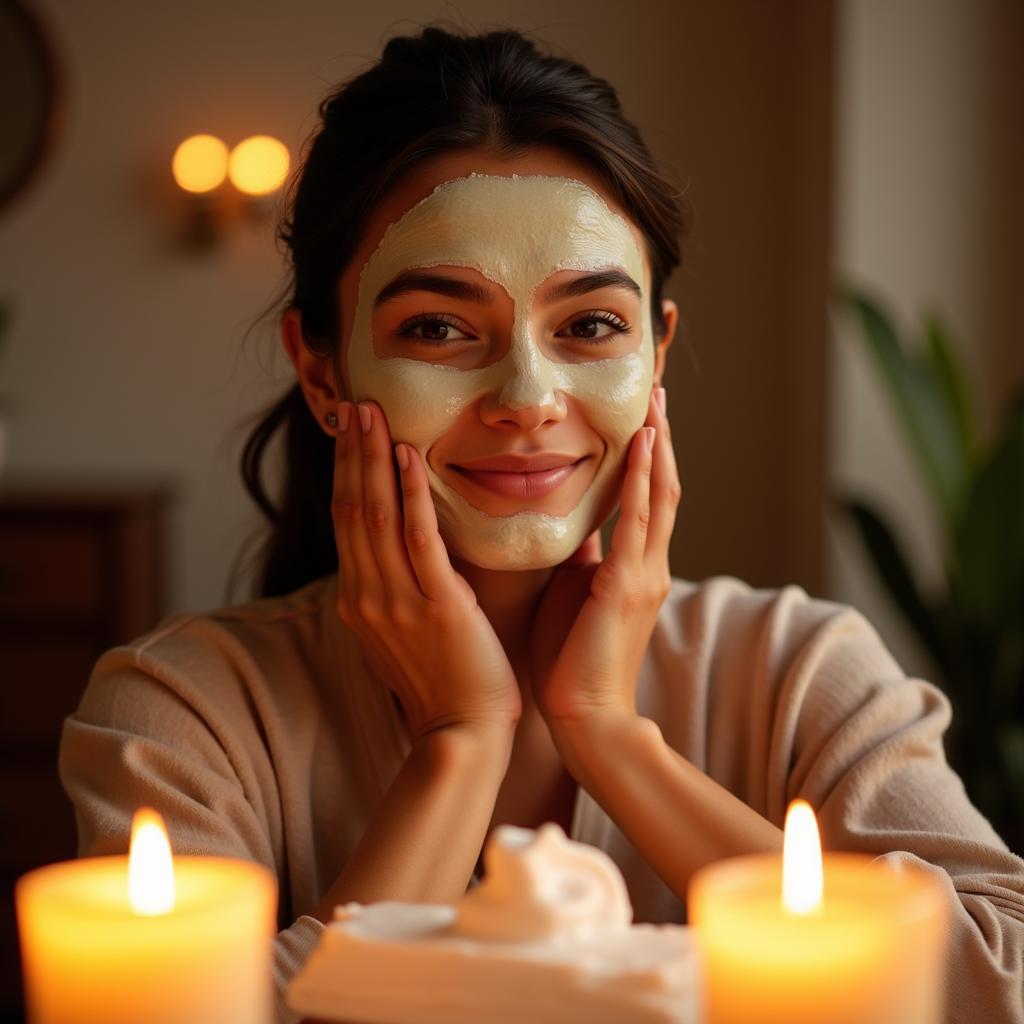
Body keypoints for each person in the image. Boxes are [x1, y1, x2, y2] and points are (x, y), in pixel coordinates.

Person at [59, 26, 1023, 1024]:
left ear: (655, 354)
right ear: (322, 368)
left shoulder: (801, 669)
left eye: (590, 325)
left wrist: (616, 741)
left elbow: (1000, 987)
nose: (528, 395)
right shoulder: (183, 706)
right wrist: (459, 745)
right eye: (437, 328)